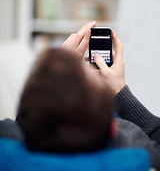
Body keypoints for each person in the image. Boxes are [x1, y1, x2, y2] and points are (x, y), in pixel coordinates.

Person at [0, 21, 160, 169]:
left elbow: (20, 126)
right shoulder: (134, 147)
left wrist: (53, 69)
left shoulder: (5, 142)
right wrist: (120, 91)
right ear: (113, 129)